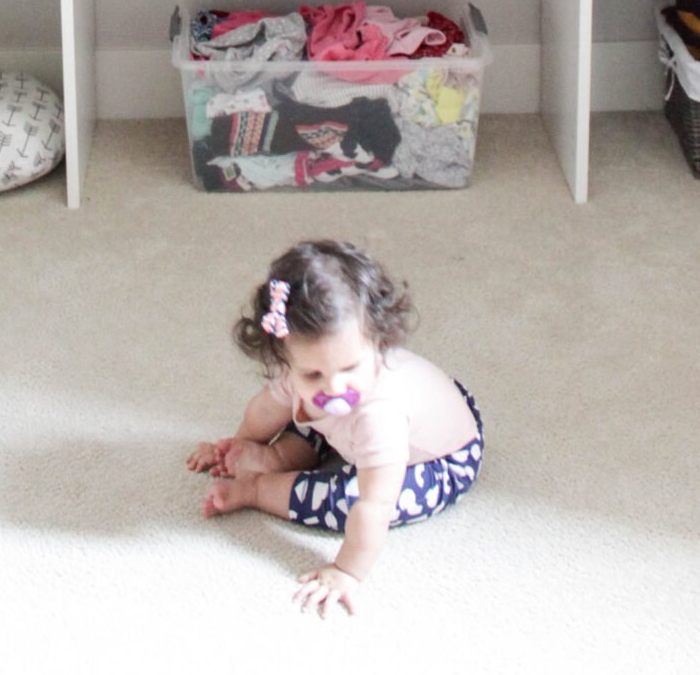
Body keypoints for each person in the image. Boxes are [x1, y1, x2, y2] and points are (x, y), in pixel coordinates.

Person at [188, 239, 483, 617]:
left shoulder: (381, 415)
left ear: (379, 338)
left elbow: (375, 505)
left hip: (438, 459)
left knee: (344, 498)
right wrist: (241, 446)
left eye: (349, 368)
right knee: (310, 412)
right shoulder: (307, 373)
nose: (335, 388)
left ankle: (259, 488)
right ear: (283, 358)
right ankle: (273, 458)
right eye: (313, 373)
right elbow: (266, 410)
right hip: (369, 424)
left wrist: (346, 571)